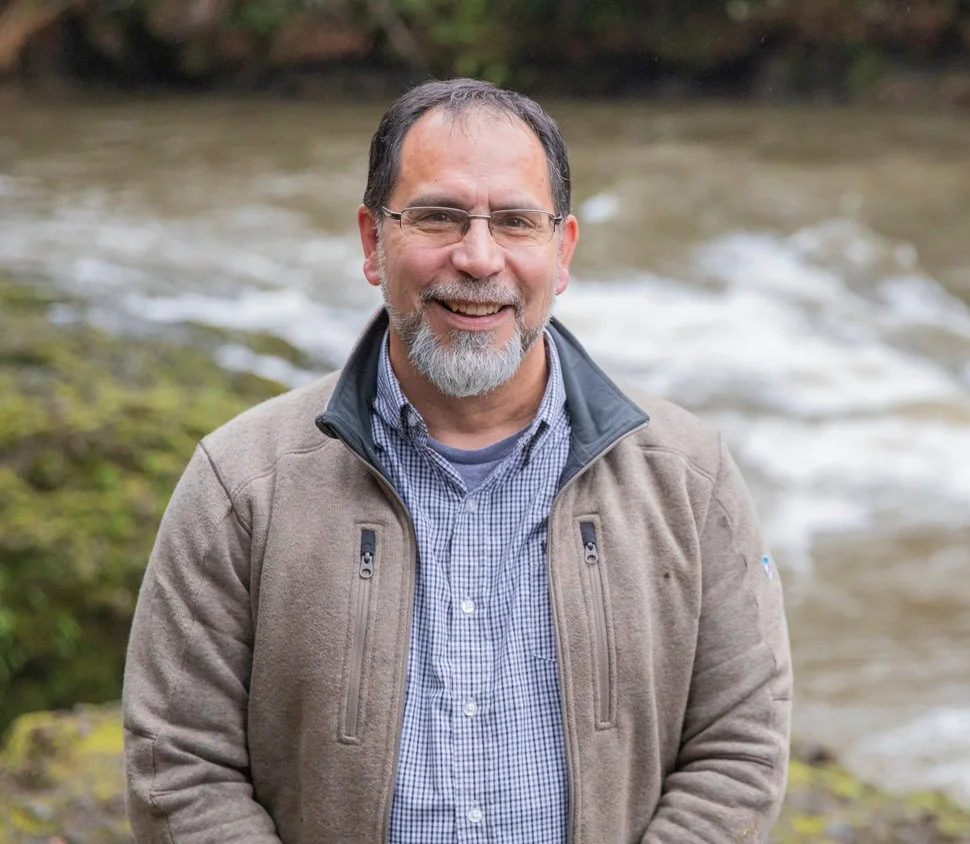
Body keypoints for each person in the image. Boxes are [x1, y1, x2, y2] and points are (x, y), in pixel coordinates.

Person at [122, 78, 793, 843]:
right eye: (439, 216)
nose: (478, 259)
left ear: (562, 250)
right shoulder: (241, 484)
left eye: (514, 222)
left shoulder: (688, 478)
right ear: (374, 242)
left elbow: (740, 748)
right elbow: (175, 763)